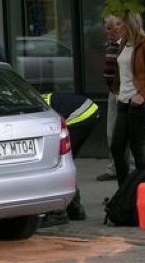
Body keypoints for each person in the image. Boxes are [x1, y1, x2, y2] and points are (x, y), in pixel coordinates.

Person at [109, 11, 145, 188]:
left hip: (140, 103)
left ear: (129, 24)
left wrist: (143, 94)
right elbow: (121, 71)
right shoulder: (124, 44)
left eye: (121, 24)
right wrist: (117, 90)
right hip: (123, 102)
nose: (118, 28)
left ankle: (142, 190)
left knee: (137, 147)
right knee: (117, 147)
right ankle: (124, 191)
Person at [39, 92, 101, 227]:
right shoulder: (36, 99)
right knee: (66, 161)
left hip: (78, 115)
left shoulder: (34, 107)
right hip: (88, 111)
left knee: (59, 161)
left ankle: (59, 213)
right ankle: (75, 209)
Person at [97, 15, 133, 181]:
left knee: (125, 132)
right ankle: (114, 167)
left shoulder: (127, 45)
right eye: (106, 28)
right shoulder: (111, 45)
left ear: (120, 27)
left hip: (124, 92)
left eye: (110, 28)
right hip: (113, 91)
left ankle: (129, 167)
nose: (107, 31)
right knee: (111, 132)